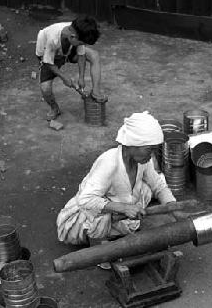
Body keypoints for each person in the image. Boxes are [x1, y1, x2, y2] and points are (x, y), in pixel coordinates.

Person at [56, 112, 177, 246]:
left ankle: (121, 226)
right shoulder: (109, 162)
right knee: (100, 219)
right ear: (133, 144)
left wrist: (172, 206)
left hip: (123, 205)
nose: (152, 154)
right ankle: (100, 245)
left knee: (149, 186)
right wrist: (124, 208)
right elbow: (85, 200)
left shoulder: (143, 161)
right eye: (149, 149)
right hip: (95, 211)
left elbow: (158, 185)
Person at [35, 15, 106, 123]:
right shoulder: (52, 38)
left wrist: (81, 78)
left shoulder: (78, 30)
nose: (83, 45)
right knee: (45, 88)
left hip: (68, 50)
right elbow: (48, 62)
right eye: (82, 43)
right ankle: (54, 108)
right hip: (50, 57)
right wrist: (64, 78)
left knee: (94, 55)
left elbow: (81, 55)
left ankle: (96, 91)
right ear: (72, 37)